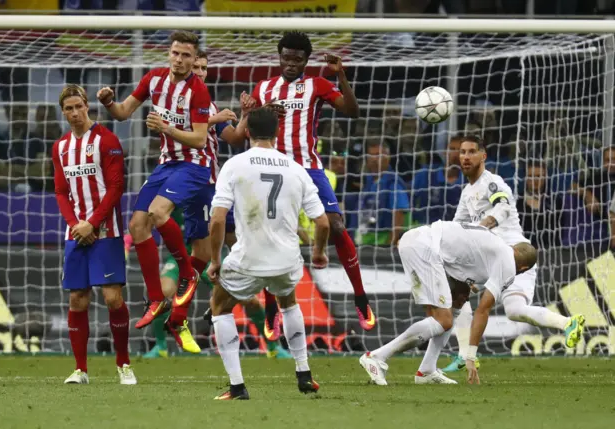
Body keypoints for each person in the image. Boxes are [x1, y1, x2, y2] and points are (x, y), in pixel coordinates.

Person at [246, 31, 375, 331]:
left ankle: (360, 297)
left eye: (297, 59)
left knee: (337, 225)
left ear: (305, 60)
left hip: (308, 167)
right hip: (273, 168)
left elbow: (352, 111)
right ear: (279, 57)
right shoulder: (264, 88)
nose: (291, 63)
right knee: (270, 236)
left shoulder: (316, 85)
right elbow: (247, 130)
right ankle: (270, 308)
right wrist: (254, 111)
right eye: (286, 57)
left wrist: (340, 74)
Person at [206, 108, 330, 400]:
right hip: (287, 258)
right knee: (288, 302)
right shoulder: (296, 168)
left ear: (246, 131)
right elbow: (323, 222)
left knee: (219, 306)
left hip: (249, 258)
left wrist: (214, 260)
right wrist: (319, 252)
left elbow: (218, 219)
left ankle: (237, 387)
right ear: (276, 134)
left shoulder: (234, 165)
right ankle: (304, 374)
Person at [97, 30, 212, 339]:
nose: (179, 59)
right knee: (137, 225)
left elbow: (201, 140)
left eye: (186, 55)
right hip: (166, 164)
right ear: (169, 53)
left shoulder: (198, 91)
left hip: (194, 165)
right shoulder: (154, 80)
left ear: (192, 59)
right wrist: (109, 103)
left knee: (159, 214)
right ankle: (158, 299)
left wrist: (166, 128)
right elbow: (122, 113)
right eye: (175, 53)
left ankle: (187, 273)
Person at [442, 135, 585, 373]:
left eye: (471, 151)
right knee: (491, 305)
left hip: (516, 255)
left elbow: (504, 206)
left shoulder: (492, 183)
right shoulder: (467, 193)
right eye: (462, 152)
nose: (465, 156)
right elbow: (457, 227)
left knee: (494, 306)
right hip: (492, 259)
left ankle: (467, 355)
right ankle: (567, 323)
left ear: (483, 156)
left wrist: (485, 225)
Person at [359, 221, 537, 385]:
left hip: (422, 241)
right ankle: (376, 357)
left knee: (459, 298)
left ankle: (427, 370)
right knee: (444, 320)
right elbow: (483, 310)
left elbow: (463, 258)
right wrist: (470, 356)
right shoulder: (509, 265)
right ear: (523, 269)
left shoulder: (496, 246)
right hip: (425, 248)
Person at [53, 85, 135, 385]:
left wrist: (93, 223)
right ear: (63, 112)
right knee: (77, 299)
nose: (75, 113)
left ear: (87, 105)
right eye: (68, 109)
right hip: (76, 232)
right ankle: (80, 370)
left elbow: (115, 188)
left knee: (112, 298)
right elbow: (61, 191)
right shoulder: (60, 147)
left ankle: (124, 365)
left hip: (107, 231)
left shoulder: (107, 140)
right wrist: (76, 224)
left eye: (78, 106)